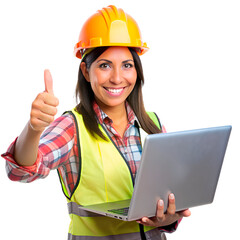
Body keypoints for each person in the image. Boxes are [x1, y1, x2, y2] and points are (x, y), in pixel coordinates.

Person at [1, 5, 191, 240]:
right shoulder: (72, 126)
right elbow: (20, 171)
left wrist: (170, 218)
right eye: (104, 65)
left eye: (127, 65)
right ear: (86, 70)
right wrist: (33, 129)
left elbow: (166, 197)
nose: (117, 78)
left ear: (137, 71)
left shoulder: (151, 123)